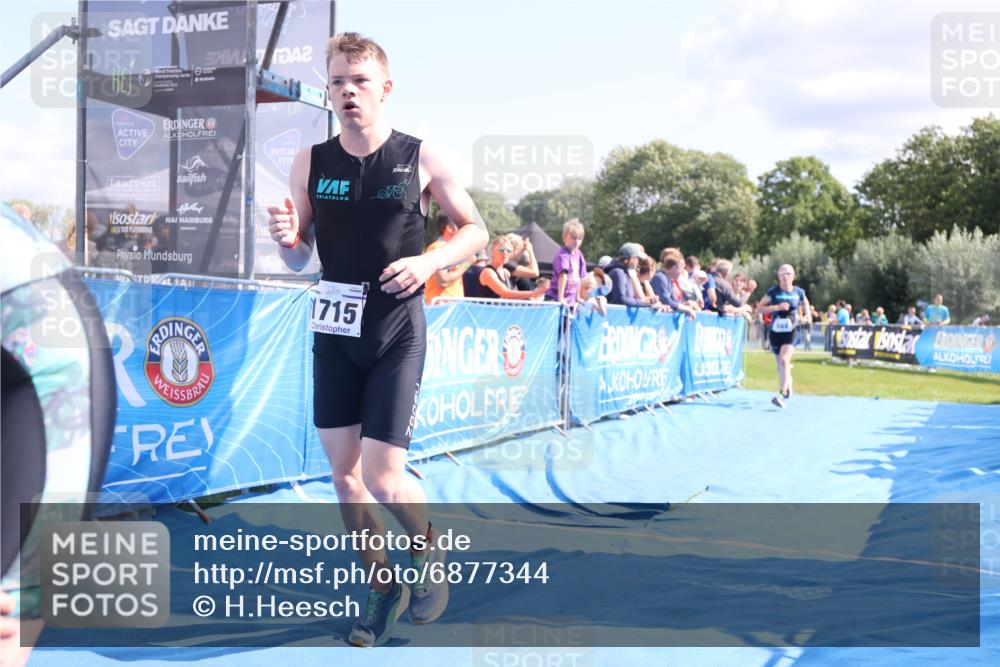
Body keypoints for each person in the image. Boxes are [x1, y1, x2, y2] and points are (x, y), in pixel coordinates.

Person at [266, 32, 488, 648]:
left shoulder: (421, 156)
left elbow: (475, 230)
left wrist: (430, 261)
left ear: (384, 89)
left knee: (385, 478)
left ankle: (428, 558)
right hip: (335, 331)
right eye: (337, 81)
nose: (346, 92)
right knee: (344, 478)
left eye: (358, 81)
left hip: (395, 331)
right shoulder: (311, 161)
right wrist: (288, 238)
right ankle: (381, 586)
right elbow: (298, 257)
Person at [757, 264, 810, 409]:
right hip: (775, 330)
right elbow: (759, 308)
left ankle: (781, 395)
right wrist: (776, 308)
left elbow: (805, 304)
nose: (785, 276)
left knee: (784, 359)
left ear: (793, 276)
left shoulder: (799, 292)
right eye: (782, 274)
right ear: (778, 277)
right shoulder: (773, 292)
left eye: (788, 273)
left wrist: (807, 317)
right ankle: (788, 383)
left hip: (792, 330)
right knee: (780, 364)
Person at [479, 234, 546, 299]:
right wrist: (533, 293)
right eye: (501, 250)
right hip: (488, 310)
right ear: (492, 251)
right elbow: (505, 293)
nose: (505, 253)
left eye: (509, 250)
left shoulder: (506, 271)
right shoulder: (488, 272)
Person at [423, 214, 470, 304]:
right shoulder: (438, 248)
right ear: (449, 228)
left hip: (451, 307)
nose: (463, 231)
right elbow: (442, 281)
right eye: (460, 226)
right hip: (441, 307)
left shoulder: (448, 249)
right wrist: (467, 264)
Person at [605, 243, 665, 310]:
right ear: (631, 258)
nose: (639, 263)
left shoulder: (625, 273)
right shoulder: (618, 272)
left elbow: (629, 299)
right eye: (638, 259)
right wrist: (646, 303)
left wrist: (648, 301)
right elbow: (621, 300)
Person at [544, 219, 587, 307]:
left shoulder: (579, 254)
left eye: (579, 238)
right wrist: (560, 298)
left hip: (570, 299)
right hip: (555, 297)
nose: (576, 241)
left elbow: (580, 277)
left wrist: (578, 297)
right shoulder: (563, 255)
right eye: (573, 238)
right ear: (564, 238)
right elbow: (563, 276)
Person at [650, 250, 697, 318]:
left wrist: (685, 305)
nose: (681, 272)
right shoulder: (660, 277)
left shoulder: (668, 279)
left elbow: (674, 301)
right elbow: (665, 300)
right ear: (674, 268)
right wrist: (687, 309)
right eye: (681, 269)